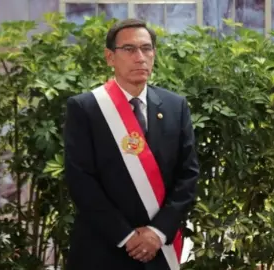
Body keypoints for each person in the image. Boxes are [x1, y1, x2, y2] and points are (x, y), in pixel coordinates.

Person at [63, 19, 200, 270]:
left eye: (146, 49)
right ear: (109, 57)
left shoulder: (175, 106)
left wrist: (157, 233)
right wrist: (128, 237)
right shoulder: (86, 108)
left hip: (159, 249)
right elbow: (80, 181)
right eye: (129, 49)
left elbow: (187, 175)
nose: (140, 57)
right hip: (102, 250)